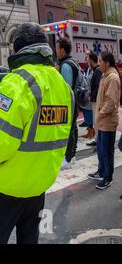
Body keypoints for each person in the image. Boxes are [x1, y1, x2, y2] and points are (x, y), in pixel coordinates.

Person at [0, 23, 73, 244]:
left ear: (17, 48)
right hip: (40, 184)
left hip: (7, 186)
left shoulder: (17, 81)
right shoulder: (61, 83)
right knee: (29, 238)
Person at [87, 52, 120, 190]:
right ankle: (101, 171)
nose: (99, 63)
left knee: (107, 151)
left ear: (107, 62)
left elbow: (111, 102)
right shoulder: (104, 75)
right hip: (102, 121)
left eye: (101, 61)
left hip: (108, 121)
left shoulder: (112, 77)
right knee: (101, 149)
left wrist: (100, 114)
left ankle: (107, 177)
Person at [56, 38, 79, 168]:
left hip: (69, 102)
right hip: (75, 101)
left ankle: (68, 159)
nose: (56, 51)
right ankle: (73, 155)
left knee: (68, 130)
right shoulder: (73, 62)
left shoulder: (65, 65)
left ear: (62, 50)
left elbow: (65, 88)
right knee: (73, 128)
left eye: (57, 48)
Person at [86, 52, 103, 147]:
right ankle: (97, 139)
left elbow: (97, 87)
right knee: (96, 121)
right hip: (96, 99)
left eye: (88, 61)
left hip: (96, 100)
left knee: (96, 121)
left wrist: (92, 96)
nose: (87, 63)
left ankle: (98, 140)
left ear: (91, 61)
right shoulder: (97, 70)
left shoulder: (97, 71)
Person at [81, 51, 95, 138]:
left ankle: (91, 131)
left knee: (89, 113)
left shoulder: (93, 69)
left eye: (87, 55)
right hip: (87, 93)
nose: (86, 57)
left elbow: (89, 80)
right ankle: (90, 130)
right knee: (86, 111)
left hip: (90, 94)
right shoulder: (88, 67)